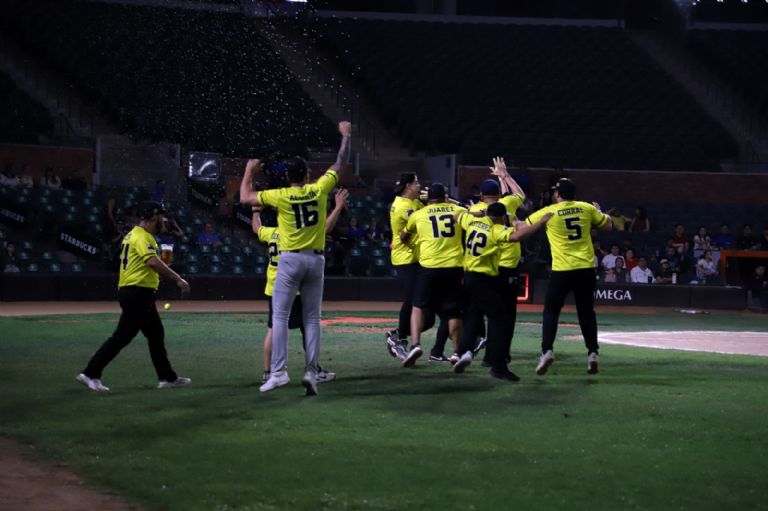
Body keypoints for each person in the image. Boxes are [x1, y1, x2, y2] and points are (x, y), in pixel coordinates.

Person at [240, 120, 351, 396]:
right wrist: (346, 137)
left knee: (280, 316)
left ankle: (278, 373)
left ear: (287, 175)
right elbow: (340, 164)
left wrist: (248, 172)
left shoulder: (281, 195)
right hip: (316, 260)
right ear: (308, 173)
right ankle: (312, 372)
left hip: (289, 261)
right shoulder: (319, 189)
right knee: (312, 319)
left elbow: (245, 198)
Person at [76, 201, 192, 393]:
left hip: (137, 293)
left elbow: (155, 262)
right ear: (153, 217)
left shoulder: (136, 235)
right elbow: (153, 262)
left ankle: (166, 377)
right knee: (122, 336)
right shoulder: (141, 236)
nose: (163, 222)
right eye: (161, 218)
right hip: (137, 293)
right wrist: (178, 279)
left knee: (155, 334)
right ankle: (91, 373)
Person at [253, 188, 348, 384]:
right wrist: (338, 206)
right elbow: (324, 229)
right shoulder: (300, 234)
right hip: (296, 285)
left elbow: (256, 229)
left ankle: (267, 372)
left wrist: (255, 211)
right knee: (309, 325)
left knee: (274, 327)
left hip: (274, 286)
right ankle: (314, 370)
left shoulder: (272, 233)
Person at [452, 201, 551, 380]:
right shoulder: (496, 229)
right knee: (499, 320)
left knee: (474, 316)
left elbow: (457, 215)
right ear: (502, 217)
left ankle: (463, 352)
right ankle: (498, 366)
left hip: (467, 278)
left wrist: (477, 214)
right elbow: (517, 236)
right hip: (483, 279)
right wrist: (540, 223)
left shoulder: (471, 222)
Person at [525, 178, 612, 375]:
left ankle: (547, 351)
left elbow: (524, 224)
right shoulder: (586, 208)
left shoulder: (549, 211)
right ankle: (592, 353)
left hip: (562, 270)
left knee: (551, 311)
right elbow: (608, 226)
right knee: (586, 312)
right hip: (586, 269)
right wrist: (600, 212)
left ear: (558, 194)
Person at [400, 183, 466, 367]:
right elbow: (469, 211)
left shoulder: (419, 214)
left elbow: (403, 236)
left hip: (429, 266)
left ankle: (415, 344)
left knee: (418, 305)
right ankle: (455, 353)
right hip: (454, 266)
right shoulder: (458, 210)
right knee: (453, 311)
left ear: (428, 198)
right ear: (445, 196)